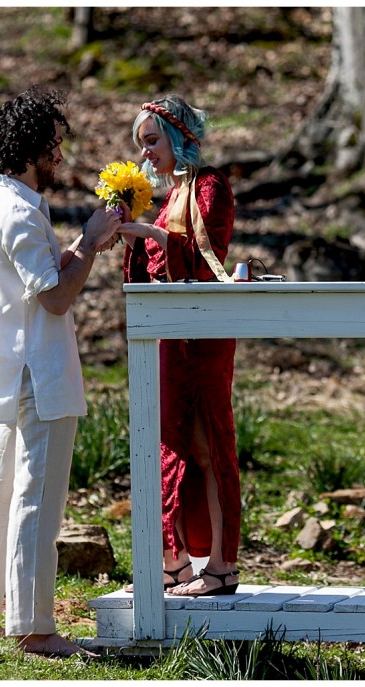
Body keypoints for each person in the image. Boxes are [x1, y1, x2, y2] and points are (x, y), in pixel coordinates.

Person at [0, 85, 120, 657]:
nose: (59, 156)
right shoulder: (20, 214)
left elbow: (41, 278)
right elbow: (54, 299)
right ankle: (34, 629)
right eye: (52, 146)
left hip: (13, 369)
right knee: (36, 498)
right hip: (36, 374)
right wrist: (94, 247)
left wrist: (80, 242)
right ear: (29, 149)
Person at [119, 95, 241, 597]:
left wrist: (150, 232)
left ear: (177, 136)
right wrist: (132, 233)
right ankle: (172, 562)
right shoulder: (168, 197)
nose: (146, 154)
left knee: (209, 443)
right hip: (170, 334)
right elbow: (150, 271)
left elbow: (202, 255)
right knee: (173, 443)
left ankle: (220, 566)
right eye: (141, 145)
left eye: (152, 141)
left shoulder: (210, 186)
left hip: (206, 332)